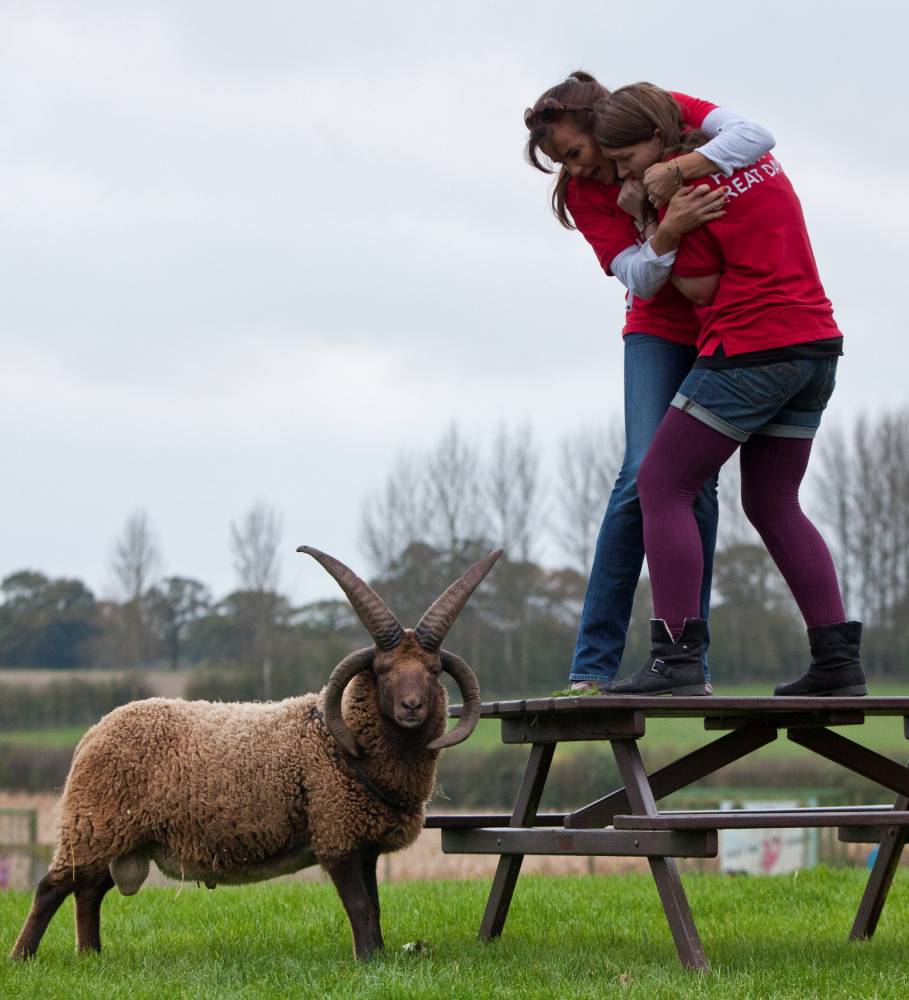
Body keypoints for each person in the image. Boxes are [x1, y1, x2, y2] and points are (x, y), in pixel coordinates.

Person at [591, 82, 865, 697]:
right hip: (815, 346)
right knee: (773, 502)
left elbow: (697, 291)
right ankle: (838, 663)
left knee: (663, 482)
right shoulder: (756, 162)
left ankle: (677, 659)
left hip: (750, 351)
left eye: (626, 159)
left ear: (658, 141)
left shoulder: (682, 196)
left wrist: (651, 217)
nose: (620, 173)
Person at [524, 72, 776, 693]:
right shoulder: (584, 196)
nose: (574, 171)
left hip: (725, 323)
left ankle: (689, 662)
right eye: (561, 163)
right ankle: (592, 667)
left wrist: (679, 170)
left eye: (575, 153)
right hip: (660, 330)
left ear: (597, 125)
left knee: (696, 488)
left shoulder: (661, 112)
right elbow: (639, 279)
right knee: (641, 475)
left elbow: (756, 136)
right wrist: (662, 231)